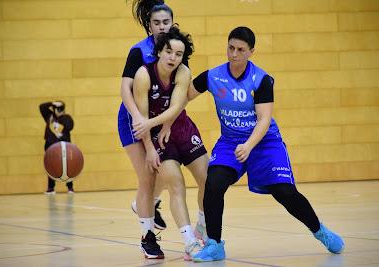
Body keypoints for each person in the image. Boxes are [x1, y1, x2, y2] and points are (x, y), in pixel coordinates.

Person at [187, 26, 345, 262]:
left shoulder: (261, 80)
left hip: (264, 141)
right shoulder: (213, 76)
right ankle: (215, 244)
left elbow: (264, 119)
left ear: (251, 51)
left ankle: (319, 230)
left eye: (240, 49)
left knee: (285, 193)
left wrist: (249, 146)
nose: (234, 54)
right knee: (214, 184)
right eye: (231, 47)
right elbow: (185, 95)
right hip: (231, 141)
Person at [118, 0, 207, 259]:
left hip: (161, 119)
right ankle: (148, 236)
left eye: (165, 22)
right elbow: (126, 91)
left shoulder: (177, 49)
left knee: (162, 175)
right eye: (156, 23)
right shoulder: (139, 52)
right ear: (149, 25)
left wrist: (165, 123)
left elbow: (177, 98)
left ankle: (150, 205)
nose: (161, 26)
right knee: (148, 175)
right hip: (135, 117)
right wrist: (140, 122)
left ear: (172, 23)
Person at [39, 101, 74, 194]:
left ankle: (70, 187)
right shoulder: (50, 116)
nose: (58, 111)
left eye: (60, 109)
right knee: (51, 165)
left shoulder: (67, 118)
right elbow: (42, 107)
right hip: (50, 144)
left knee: (68, 165)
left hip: (63, 146)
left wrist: (61, 117)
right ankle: (51, 188)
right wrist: (52, 103)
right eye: (56, 108)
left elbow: (70, 126)